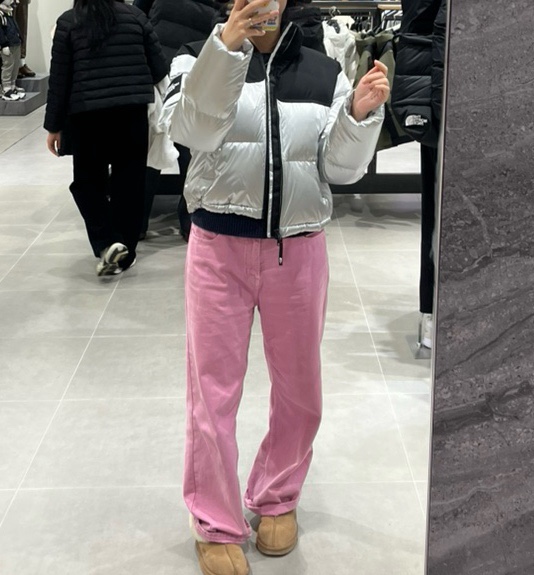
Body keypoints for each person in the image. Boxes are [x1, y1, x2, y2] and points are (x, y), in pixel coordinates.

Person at [162, 0, 390, 573]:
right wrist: (226, 49)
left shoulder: (322, 71)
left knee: (300, 390)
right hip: (218, 248)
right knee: (212, 392)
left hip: (299, 248)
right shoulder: (194, 57)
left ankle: (277, 494)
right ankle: (215, 520)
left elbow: (339, 169)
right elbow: (190, 130)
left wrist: (358, 116)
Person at [44, 0, 168, 276]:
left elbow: (59, 80)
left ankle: (106, 241)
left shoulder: (68, 22)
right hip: (132, 112)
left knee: (87, 183)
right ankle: (125, 251)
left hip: (87, 115)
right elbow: (159, 68)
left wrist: (54, 126)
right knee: (130, 182)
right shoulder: (135, 17)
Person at [0, 0, 25, 101]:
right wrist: (3, 44)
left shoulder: (9, 12)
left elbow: (15, 27)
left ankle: (12, 85)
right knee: (8, 65)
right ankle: (6, 89)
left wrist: (20, 38)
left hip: (15, 43)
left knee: (15, 65)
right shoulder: (1, 15)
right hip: (8, 45)